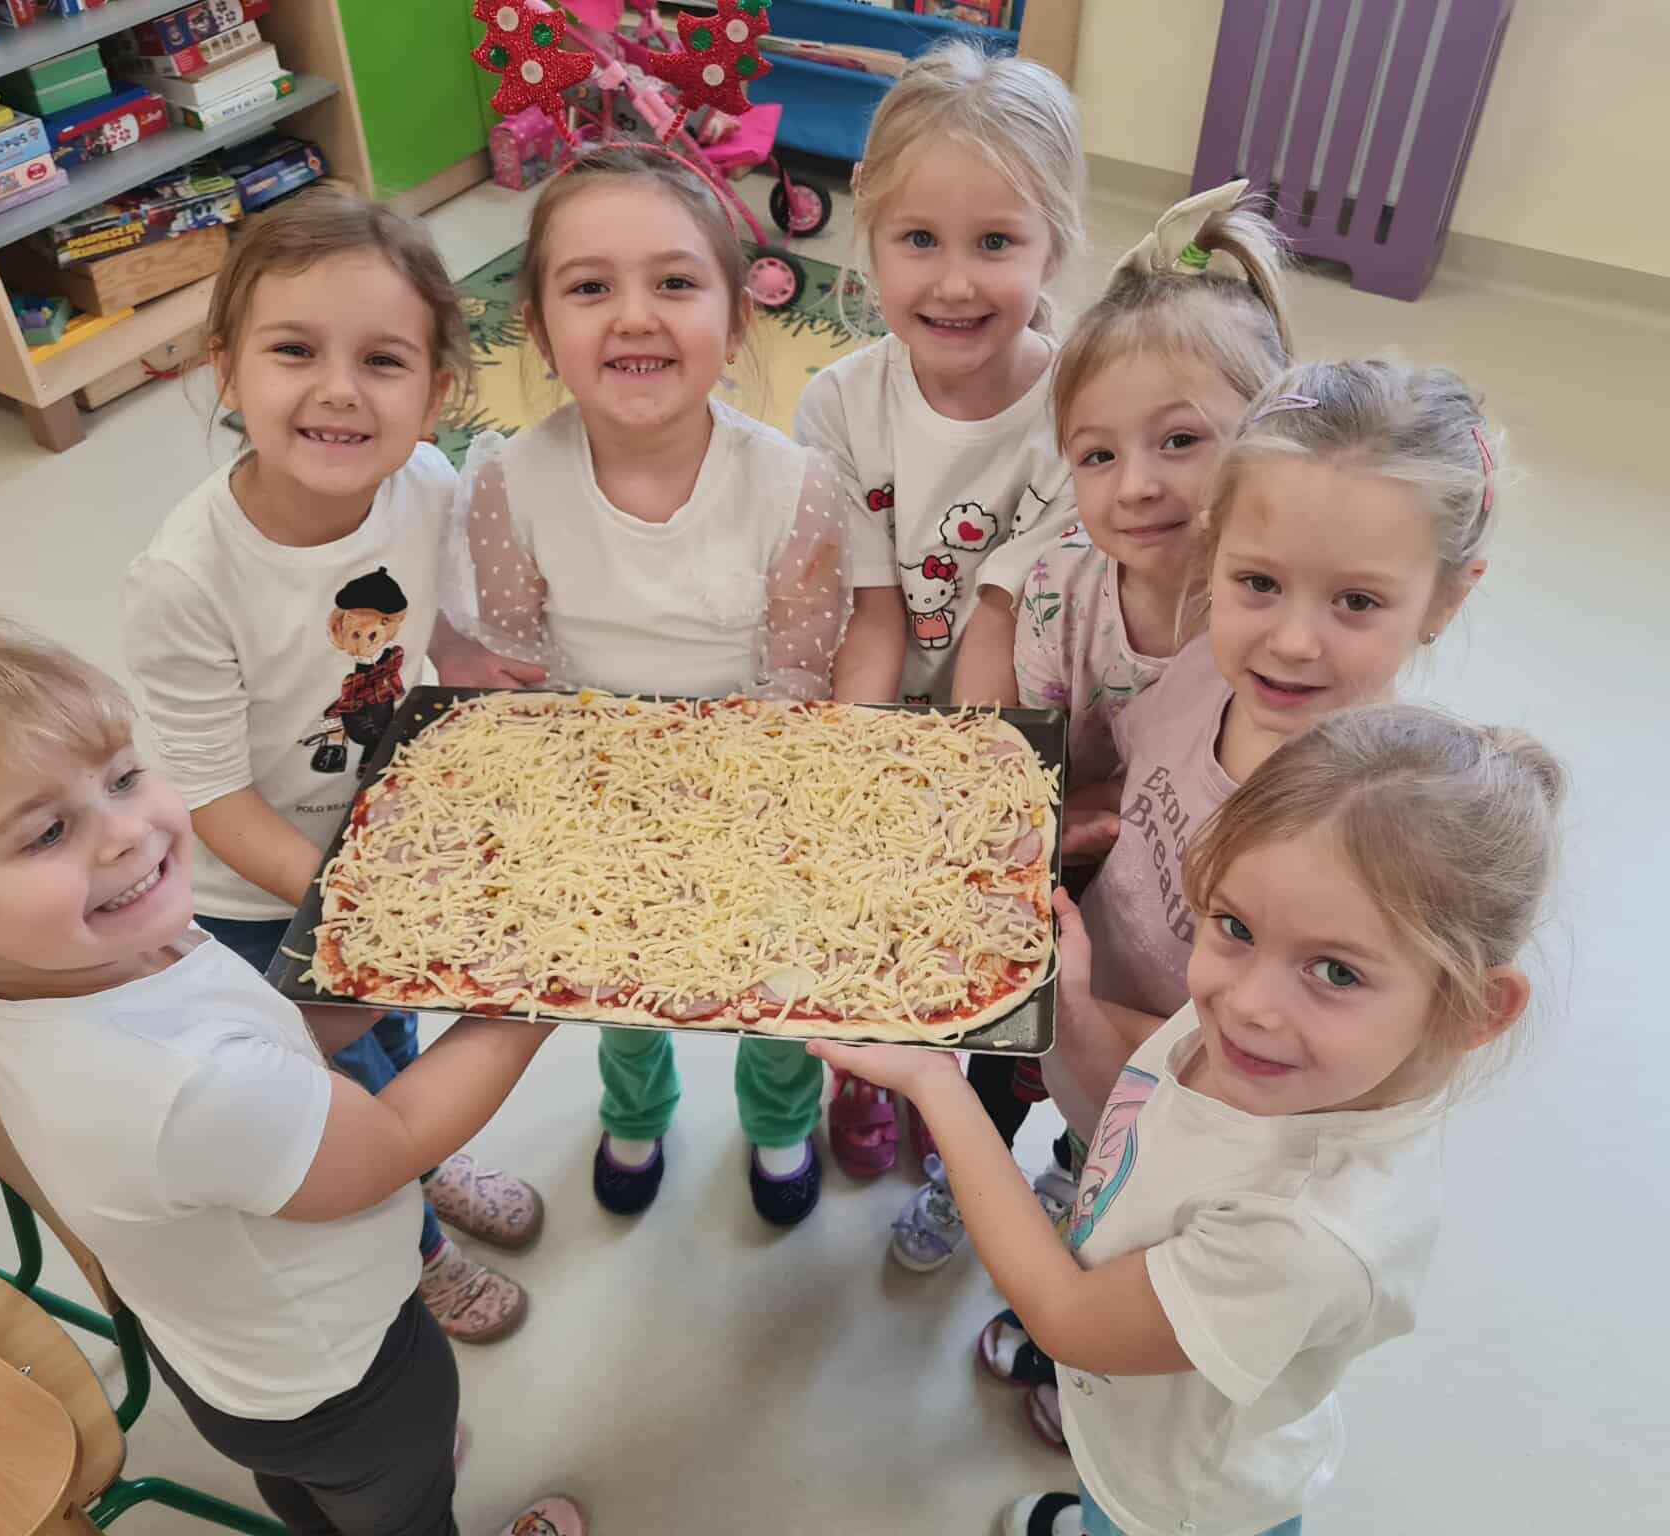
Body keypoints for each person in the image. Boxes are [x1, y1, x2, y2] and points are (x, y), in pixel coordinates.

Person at [0, 586, 584, 1536]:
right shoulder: (178, 1082)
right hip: (348, 1372)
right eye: (48, 832)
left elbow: (269, 1031)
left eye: (123, 777)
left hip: (236, 1366)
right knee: (405, 1504)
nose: (127, 831)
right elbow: (392, 1144)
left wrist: (403, 968)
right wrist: (543, 992)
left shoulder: (87, 963)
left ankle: (350, 1497)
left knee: (316, 1493)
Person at [813, 704, 1565, 1536]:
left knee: (1118, 1515)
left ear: (1474, 1009)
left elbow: (1069, 1319)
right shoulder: (1271, 1042)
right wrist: (1066, 1005)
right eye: (1234, 926)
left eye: (1337, 973)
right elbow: (1151, 1090)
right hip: (1124, 1410)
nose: (1246, 1004)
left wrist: (936, 1082)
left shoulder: (1307, 1233)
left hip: (1178, 1499)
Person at [976, 356, 1509, 1450]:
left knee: (1124, 1240)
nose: (1292, 641)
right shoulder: (1198, 674)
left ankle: (1086, 1350)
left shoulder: (1372, 829)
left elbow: (1264, 1080)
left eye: (1356, 601)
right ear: (1213, 551)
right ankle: (1071, 1249)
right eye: (1257, 583)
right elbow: (1142, 777)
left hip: (1192, 1111)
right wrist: (1085, 824)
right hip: (1093, 1023)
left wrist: (1077, 1028)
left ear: (1447, 598)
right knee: (1085, 1183)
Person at [124, 186, 545, 1344]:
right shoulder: (185, 578)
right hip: (251, 899)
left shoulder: (428, 486)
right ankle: (414, 1249)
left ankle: (424, 1163)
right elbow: (212, 798)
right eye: (294, 350)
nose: (339, 390)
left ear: (436, 393)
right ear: (226, 369)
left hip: (376, 850)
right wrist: (356, 902)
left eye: (383, 360)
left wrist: (471, 666)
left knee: (389, 1040)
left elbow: (433, 615)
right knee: (324, 1103)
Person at [891, 179, 1295, 1273]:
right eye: (1097, 455)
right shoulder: (1063, 591)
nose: (1136, 487)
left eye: (1181, 441)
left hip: (1179, 925)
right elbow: (1025, 763)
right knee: (1003, 1061)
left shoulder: (1277, 631)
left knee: (1111, 1109)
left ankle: (1078, 1190)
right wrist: (1067, 817)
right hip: (1062, 885)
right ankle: (965, 1178)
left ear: (1268, 440)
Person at [451, 144, 847, 1225]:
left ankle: (778, 1122)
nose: (634, 316)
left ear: (738, 319)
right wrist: (597, 805)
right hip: (591, 793)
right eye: (589, 288)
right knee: (619, 981)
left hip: (755, 788)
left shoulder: (794, 486)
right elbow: (514, 666)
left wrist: (716, 799)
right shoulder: (508, 482)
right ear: (538, 331)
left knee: (772, 979)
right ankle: (636, 1107)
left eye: (674, 282)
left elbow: (800, 671)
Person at [792, 39, 1086, 1178]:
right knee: (862, 916)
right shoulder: (838, 402)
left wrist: (966, 801)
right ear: (867, 230)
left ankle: (943, 1075)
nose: (954, 283)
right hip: (881, 693)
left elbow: (999, 627)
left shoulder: (1080, 409)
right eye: (919, 240)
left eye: (995, 243)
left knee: (970, 927)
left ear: (1053, 239)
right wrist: (856, 779)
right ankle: (864, 1067)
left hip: (1007, 717)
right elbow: (871, 612)